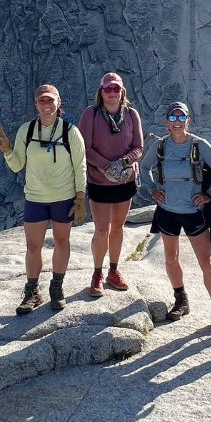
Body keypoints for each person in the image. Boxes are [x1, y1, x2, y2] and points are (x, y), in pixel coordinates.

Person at [0, 84, 87, 314]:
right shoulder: (27, 130)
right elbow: (17, 165)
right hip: (35, 197)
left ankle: (57, 288)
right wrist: (6, 150)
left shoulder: (70, 132)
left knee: (62, 242)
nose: (46, 106)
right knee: (33, 246)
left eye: (50, 101)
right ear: (36, 105)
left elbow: (80, 165)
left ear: (58, 103)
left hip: (63, 197)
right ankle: (32, 291)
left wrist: (80, 196)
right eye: (42, 101)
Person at [148, 102, 211, 334]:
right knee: (171, 257)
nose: (177, 122)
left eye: (181, 117)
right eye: (172, 118)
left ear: (188, 121)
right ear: (166, 122)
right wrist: (152, 189)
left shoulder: (199, 144)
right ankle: (181, 301)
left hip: (193, 212)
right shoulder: (161, 145)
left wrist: (208, 195)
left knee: (206, 262)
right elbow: (143, 167)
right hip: (167, 211)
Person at [78, 72, 144, 297]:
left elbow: (139, 147)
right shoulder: (91, 114)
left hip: (125, 180)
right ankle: (97, 274)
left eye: (116, 89)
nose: (112, 93)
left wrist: (123, 163)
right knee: (101, 229)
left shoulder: (132, 115)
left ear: (122, 92)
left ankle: (113, 272)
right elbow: (84, 148)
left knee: (117, 228)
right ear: (101, 92)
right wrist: (107, 166)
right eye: (108, 89)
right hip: (99, 181)